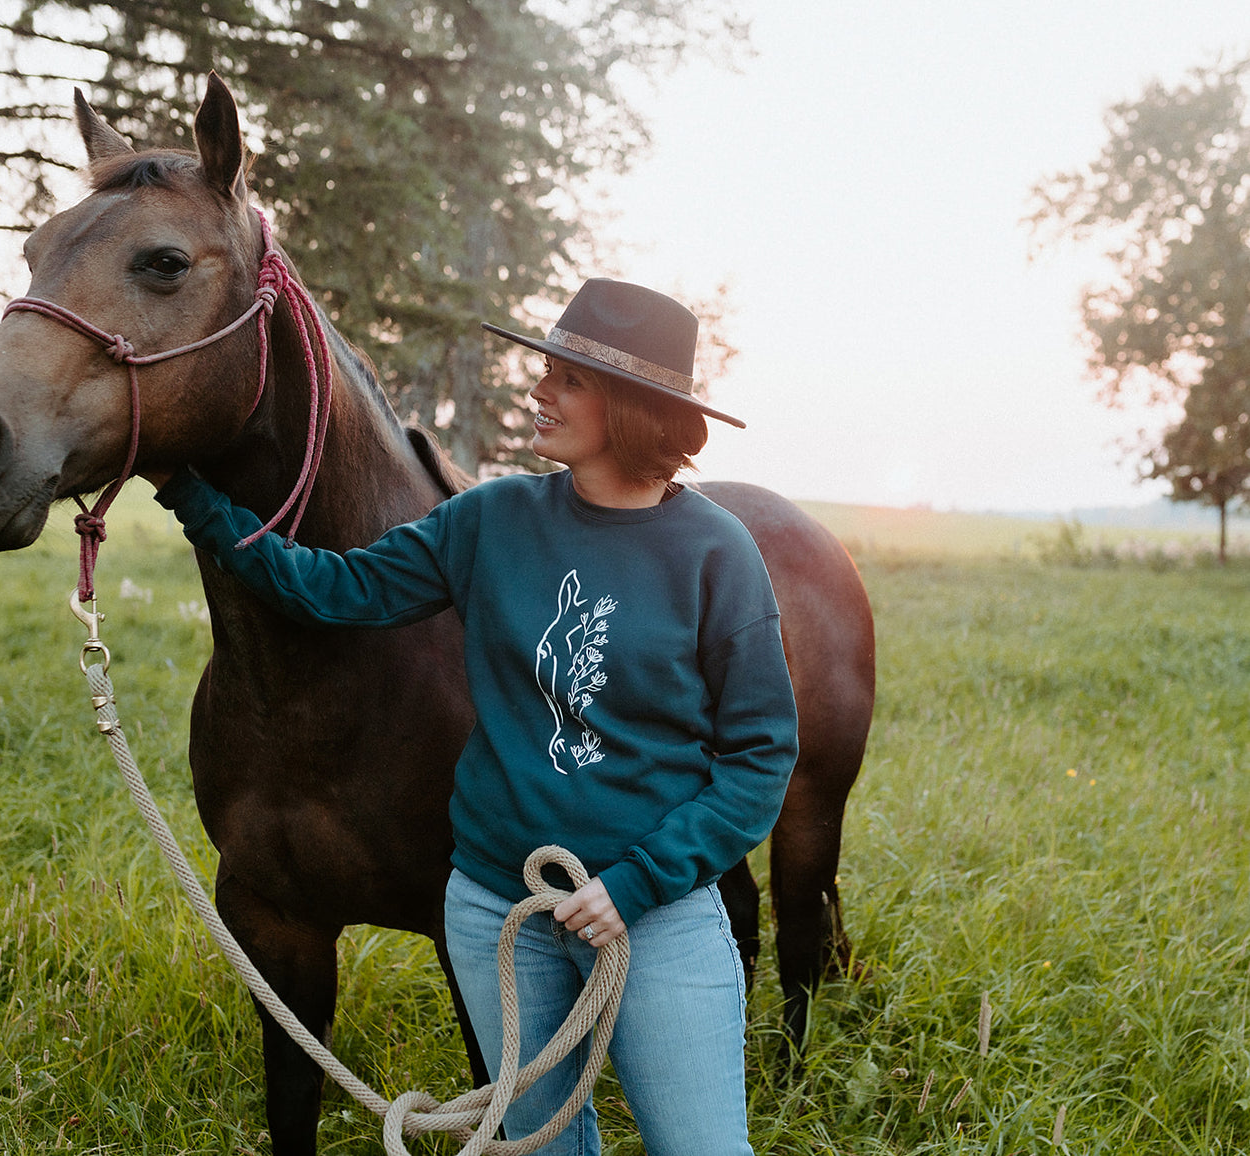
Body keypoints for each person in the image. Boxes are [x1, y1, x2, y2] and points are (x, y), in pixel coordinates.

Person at [147, 278, 798, 1155]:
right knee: (533, 1147)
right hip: (497, 911)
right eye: (545, 370)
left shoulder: (717, 552)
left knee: (701, 1147)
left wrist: (636, 885)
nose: (538, 391)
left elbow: (760, 756)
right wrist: (190, 496)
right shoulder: (492, 518)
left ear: (632, 407)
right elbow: (331, 590)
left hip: (656, 916)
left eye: (568, 379)